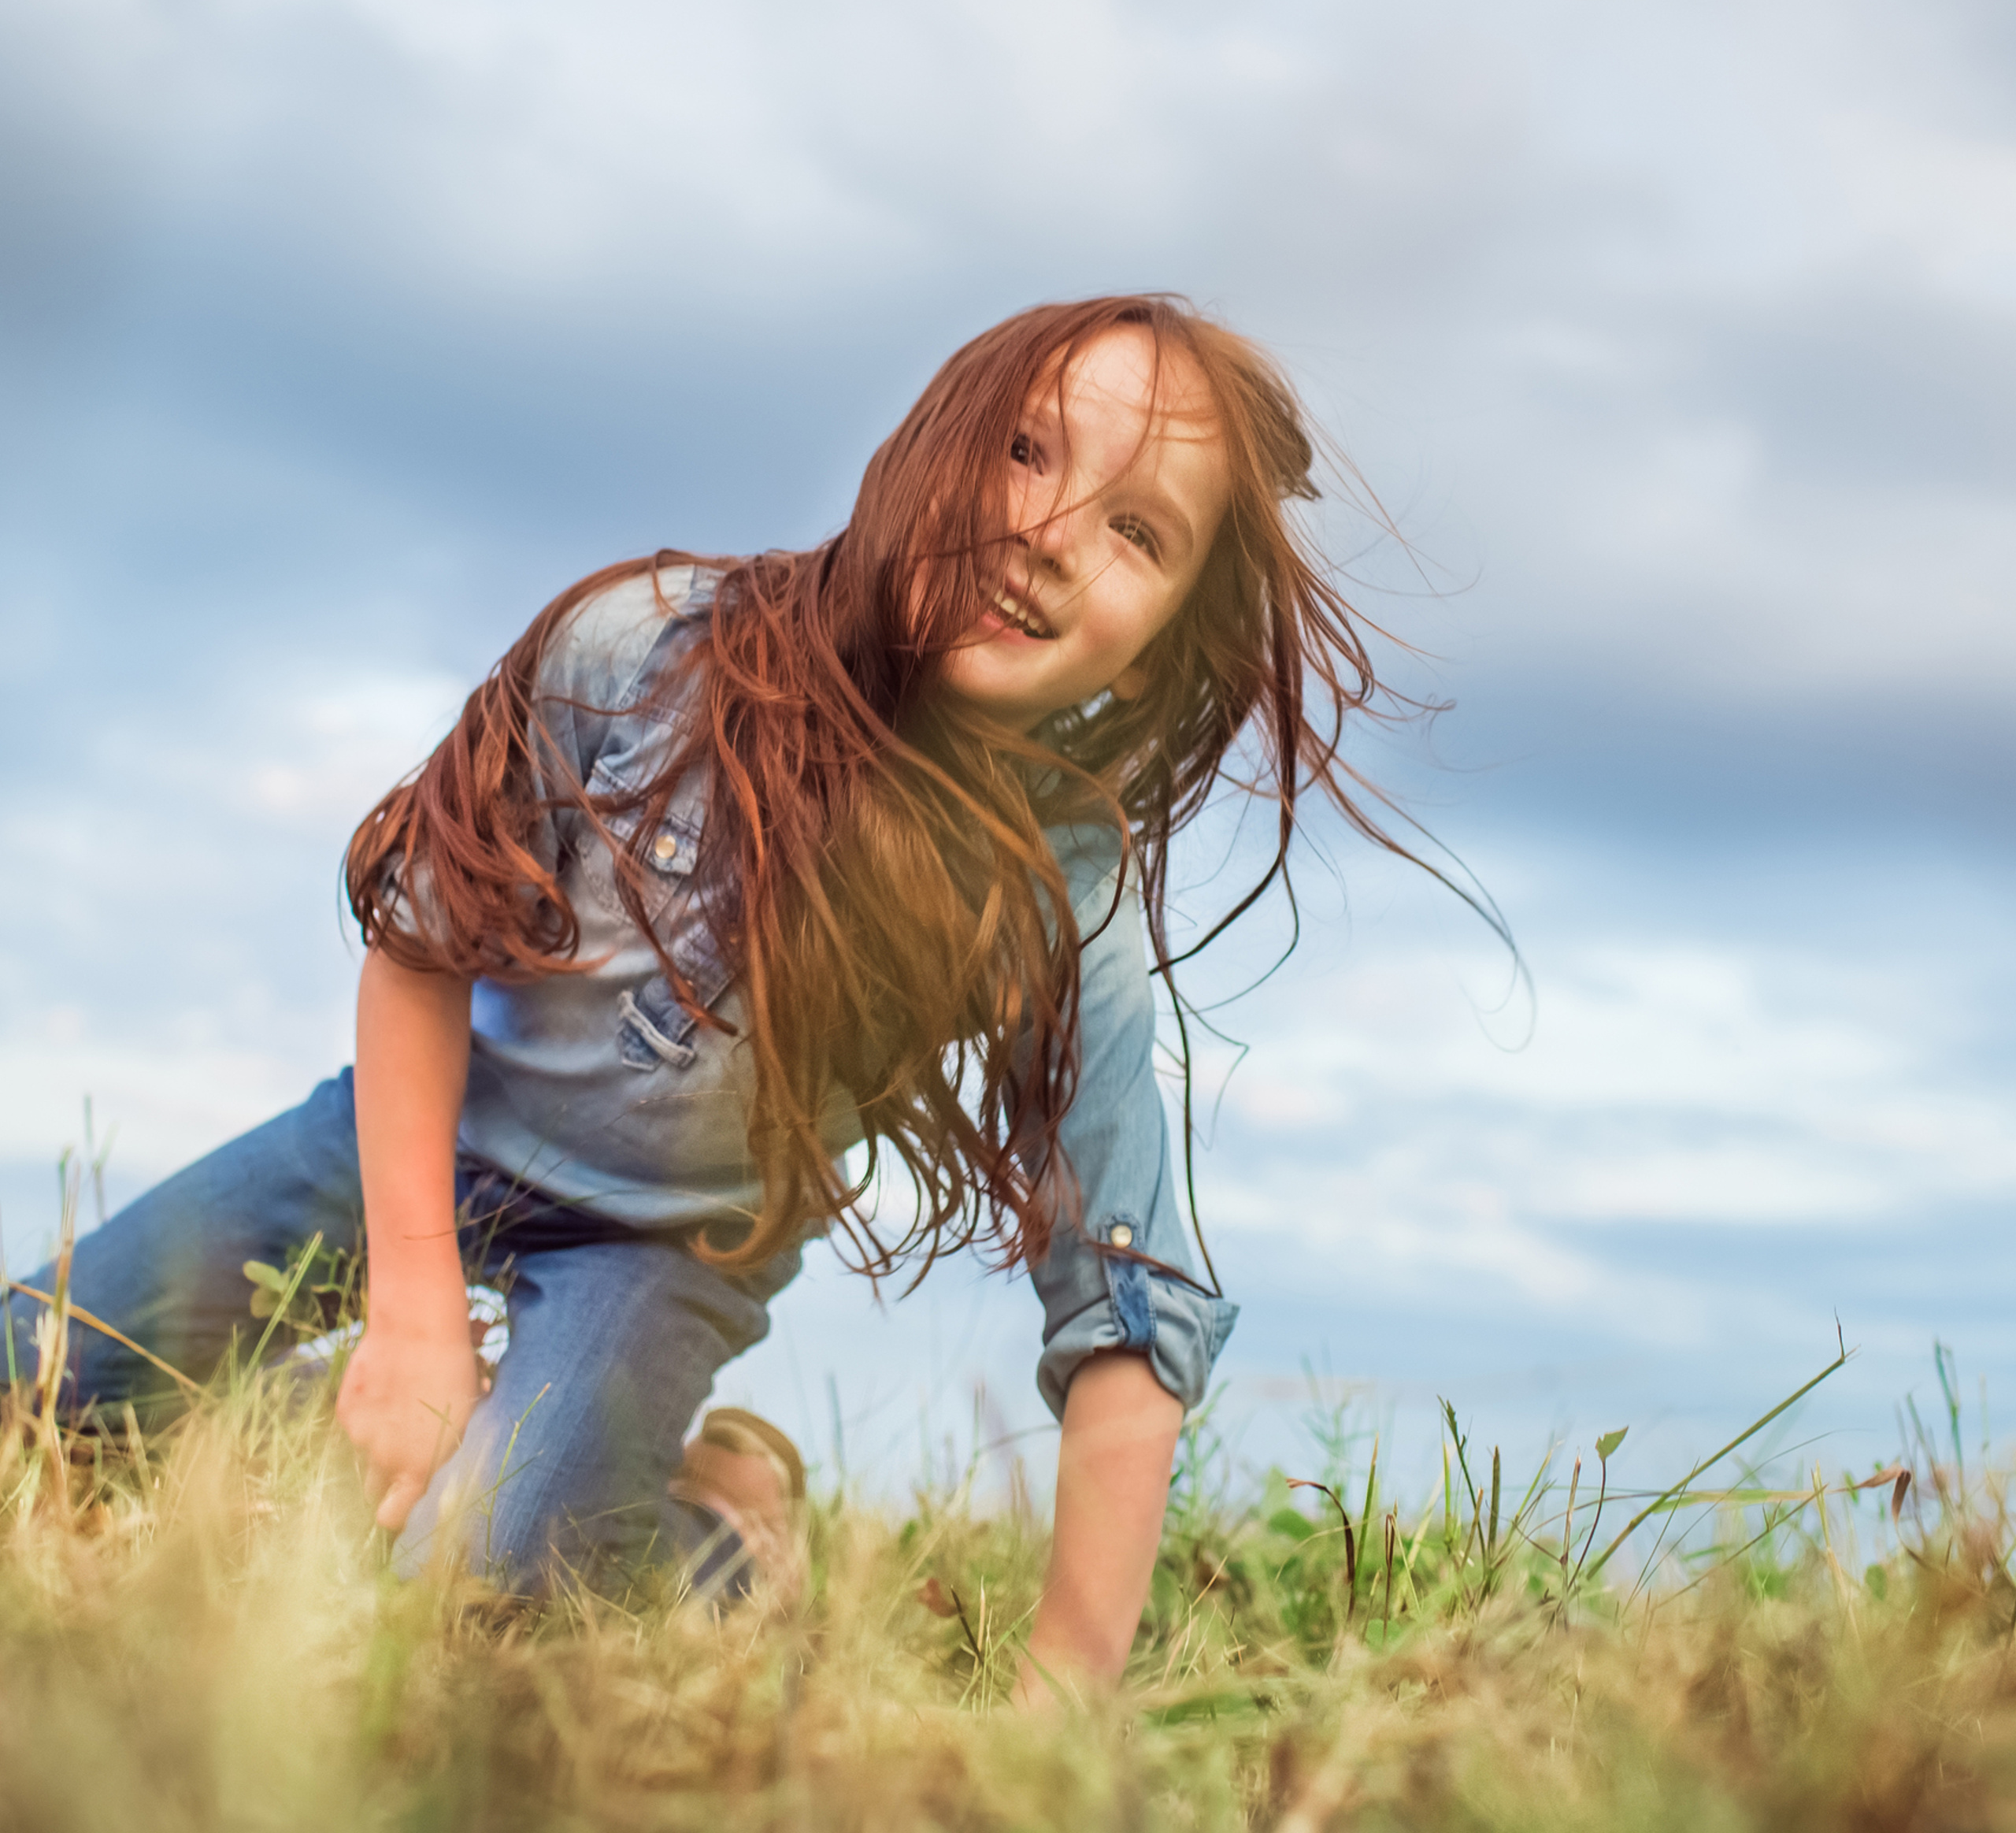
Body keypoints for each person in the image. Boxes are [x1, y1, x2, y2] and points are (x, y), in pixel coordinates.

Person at [6, 295, 1451, 1698]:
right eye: (1027, 449)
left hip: (675, 1247)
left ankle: (726, 1533)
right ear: (927, 437)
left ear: (1166, 642)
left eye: (1140, 532)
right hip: (441, 1134)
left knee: (479, 1588)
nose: (1055, 537)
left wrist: (1060, 1713)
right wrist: (414, 1305)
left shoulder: (1060, 894)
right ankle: (343, 1426)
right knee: (32, 1385)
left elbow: (1136, 1307)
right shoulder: (639, 645)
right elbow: (423, 947)